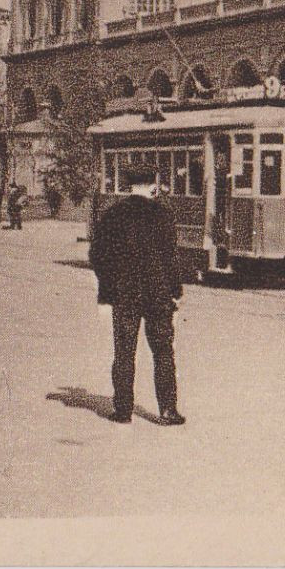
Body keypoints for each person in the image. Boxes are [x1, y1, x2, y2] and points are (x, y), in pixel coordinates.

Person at [87, 172, 186, 426]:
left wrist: (107, 292)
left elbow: (98, 257)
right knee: (163, 351)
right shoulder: (163, 214)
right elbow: (170, 258)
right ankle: (167, 410)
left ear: (128, 185)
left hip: (125, 295)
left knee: (124, 351)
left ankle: (122, 411)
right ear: (153, 185)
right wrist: (175, 292)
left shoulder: (113, 214)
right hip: (158, 295)